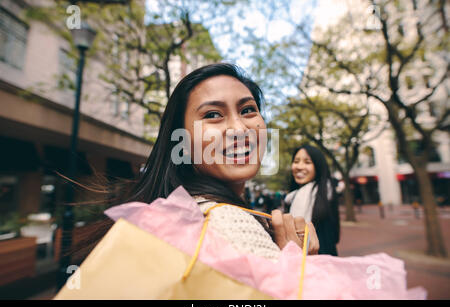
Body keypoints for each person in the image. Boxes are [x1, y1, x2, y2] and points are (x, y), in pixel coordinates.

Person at [74, 63, 319, 263]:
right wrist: (296, 264)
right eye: (213, 115)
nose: (239, 128)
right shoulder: (226, 223)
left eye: (247, 110)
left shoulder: (182, 213)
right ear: (181, 141)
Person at [284, 145, 340, 256]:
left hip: (322, 261)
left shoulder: (326, 193)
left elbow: (333, 236)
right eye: (296, 161)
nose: (299, 167)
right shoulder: (291, 197)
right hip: (296, 261)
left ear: (318, 166)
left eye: (307, 162)